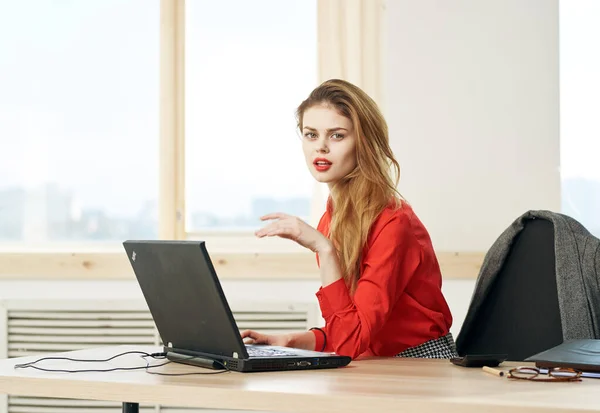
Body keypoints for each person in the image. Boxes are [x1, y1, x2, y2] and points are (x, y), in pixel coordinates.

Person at [241, 79, 456, 360]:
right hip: (372, 364)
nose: (321, 148)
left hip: (421, 364)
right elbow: (349, 328)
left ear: (363, 143)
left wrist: (325, 249)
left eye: (337, 135)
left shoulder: (394, 223)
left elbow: (351, 340)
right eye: (310, 134)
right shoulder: (332, 219)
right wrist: (291, 339)